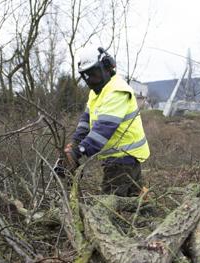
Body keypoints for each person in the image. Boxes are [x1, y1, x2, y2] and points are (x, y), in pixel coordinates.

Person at [63, 45, 150, 197]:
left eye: (94, 74)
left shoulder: (117, 91)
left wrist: (79, 152)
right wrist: (75, 143)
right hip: (122, 155)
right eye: (87, 76)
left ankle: (123, 219)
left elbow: (103, 129)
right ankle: (150, 218)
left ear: (107, 67)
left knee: (108, 203)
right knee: (135, 196)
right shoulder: (96, 93)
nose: (91, 80)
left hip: (122, 157)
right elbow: (86, 121)